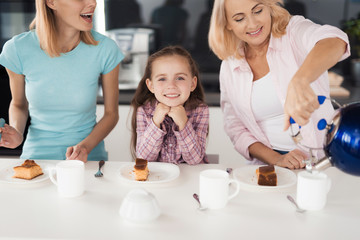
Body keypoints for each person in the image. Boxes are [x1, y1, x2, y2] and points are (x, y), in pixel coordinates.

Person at [208, 0, 350, 169]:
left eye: (258, 11)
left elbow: (336, 40)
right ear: (228, 24)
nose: (253, 24)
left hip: (321, 162)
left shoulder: (292, 32)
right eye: (239, 19)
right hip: (267, 166)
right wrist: (276, 159)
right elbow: (236, 128)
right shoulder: (229, 67)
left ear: (269, 7)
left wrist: (300, 81)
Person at [0, 0, 124, 162]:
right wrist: (16, 132)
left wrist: (85, 147)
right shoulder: (17, 49)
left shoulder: (106, 49)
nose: (92, 3)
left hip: (89, 158)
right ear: (51, 2)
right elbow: (19, 104)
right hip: (36, 158)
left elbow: (111, 114)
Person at [130, 46, 209, 164]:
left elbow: (195, 160)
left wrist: (183, 123)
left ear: (192, 84)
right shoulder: (144, 111)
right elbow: (143, 159)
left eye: (180, 78)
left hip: (190, 178)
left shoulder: (200, 110)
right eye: (162, 79)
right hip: (158, 179)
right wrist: (155, 122)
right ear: (151, 85)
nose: (171, 85)